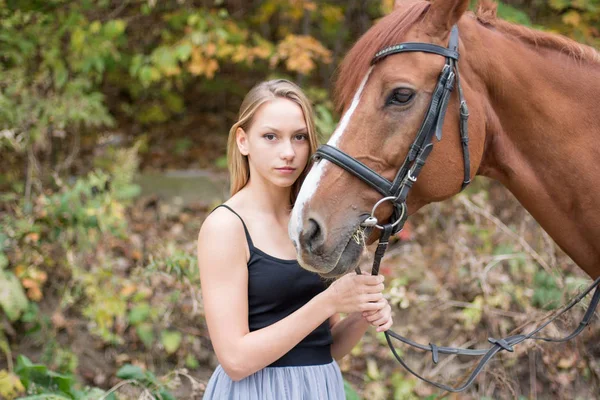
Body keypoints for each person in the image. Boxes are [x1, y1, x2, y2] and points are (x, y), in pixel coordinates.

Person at [198, 79, 393, 399]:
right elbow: (234, 360)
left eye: (299, 137)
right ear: (243, 141)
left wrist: (360, 312)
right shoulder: (226, 227)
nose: (288, 152)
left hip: (319, 389)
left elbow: (325, 348)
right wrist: (329, 300)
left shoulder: (311, 225)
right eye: (271, 137)